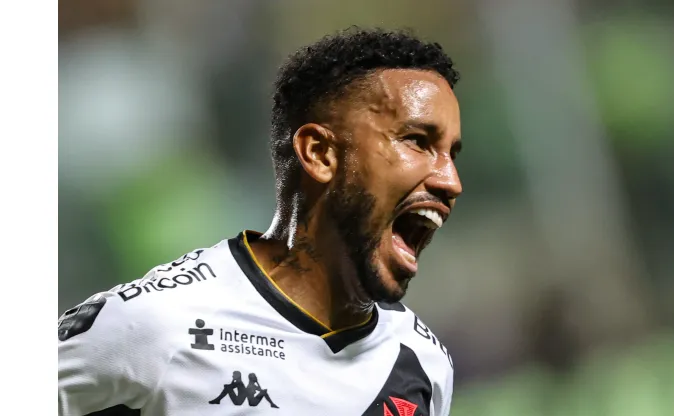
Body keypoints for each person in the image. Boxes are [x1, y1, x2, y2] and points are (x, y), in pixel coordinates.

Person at [58, 26, 462, 415]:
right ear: (320, 154)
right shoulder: (154, 325)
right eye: (418, 141)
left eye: (451, 154)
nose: (451, 181)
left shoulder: (423, 363)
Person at [208, 371, 279, 408]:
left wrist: (257, 383)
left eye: (234, 375)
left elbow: (260, 390)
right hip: (241, 402)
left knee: (264, 391)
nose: (232, 376)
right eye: (254, 377)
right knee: (228, 387)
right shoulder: (242, 384)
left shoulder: (247, 385)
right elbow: (230, 386)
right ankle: (217, 400)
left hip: (250, 403)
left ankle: (218, 400)